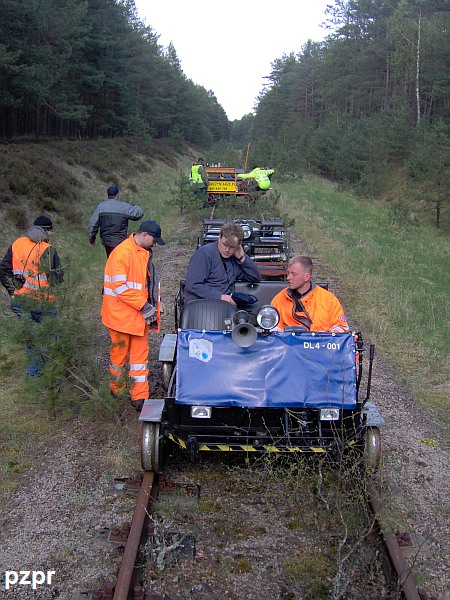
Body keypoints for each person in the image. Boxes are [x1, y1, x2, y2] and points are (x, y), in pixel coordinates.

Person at [101, 220, 165, 411]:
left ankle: (140, 397)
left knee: (140, 358)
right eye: (154, 240)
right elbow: (120, 287)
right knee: (118, 357)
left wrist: (154, 306)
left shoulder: (141, 253)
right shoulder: (122, 253)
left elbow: (147, 285)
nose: (155, 244)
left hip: (138, 318)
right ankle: (117, 390)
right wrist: (145, 306)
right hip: (121, 318)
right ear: (144, 235)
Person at [0, 215, 64, 375]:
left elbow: (3, 269)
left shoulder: (17, 243)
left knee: (31, 336)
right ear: (48, 231)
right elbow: (57, 279)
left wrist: (12, 290)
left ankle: (34, 373)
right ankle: (47, 374)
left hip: (20, 300)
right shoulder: (47, 250)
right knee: (48, 336)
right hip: (43, 302)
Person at [184, 222, 261, 304]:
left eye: (232, 247)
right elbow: (193, 285)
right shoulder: (204, 254)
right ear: (219, 238)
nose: (227, 250)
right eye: (225, 245)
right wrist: (220, 297)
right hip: (201, 306)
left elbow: (255, 277)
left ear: (238, 246)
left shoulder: (234, 259)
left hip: (224, 307)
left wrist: (242, 258)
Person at [270, 255, 349, 333]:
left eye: (293, 274)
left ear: (307, 277)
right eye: (288, 273)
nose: (288, 278)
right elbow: (274, 330)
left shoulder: (328, 300)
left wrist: (334, 332)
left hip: (321, 345)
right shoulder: (279, 299)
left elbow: (342, 329)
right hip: (288, 345)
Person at [88, 185, 144, 257]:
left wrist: (92, 239)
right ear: (117, 194)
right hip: (120, 240)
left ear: (108, 195)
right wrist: (134, 206)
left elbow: (93, 225)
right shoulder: (123, 207)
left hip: (107, 241)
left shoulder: (101, 207)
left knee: (111, 258)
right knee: (120, 259)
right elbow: (139, 213)